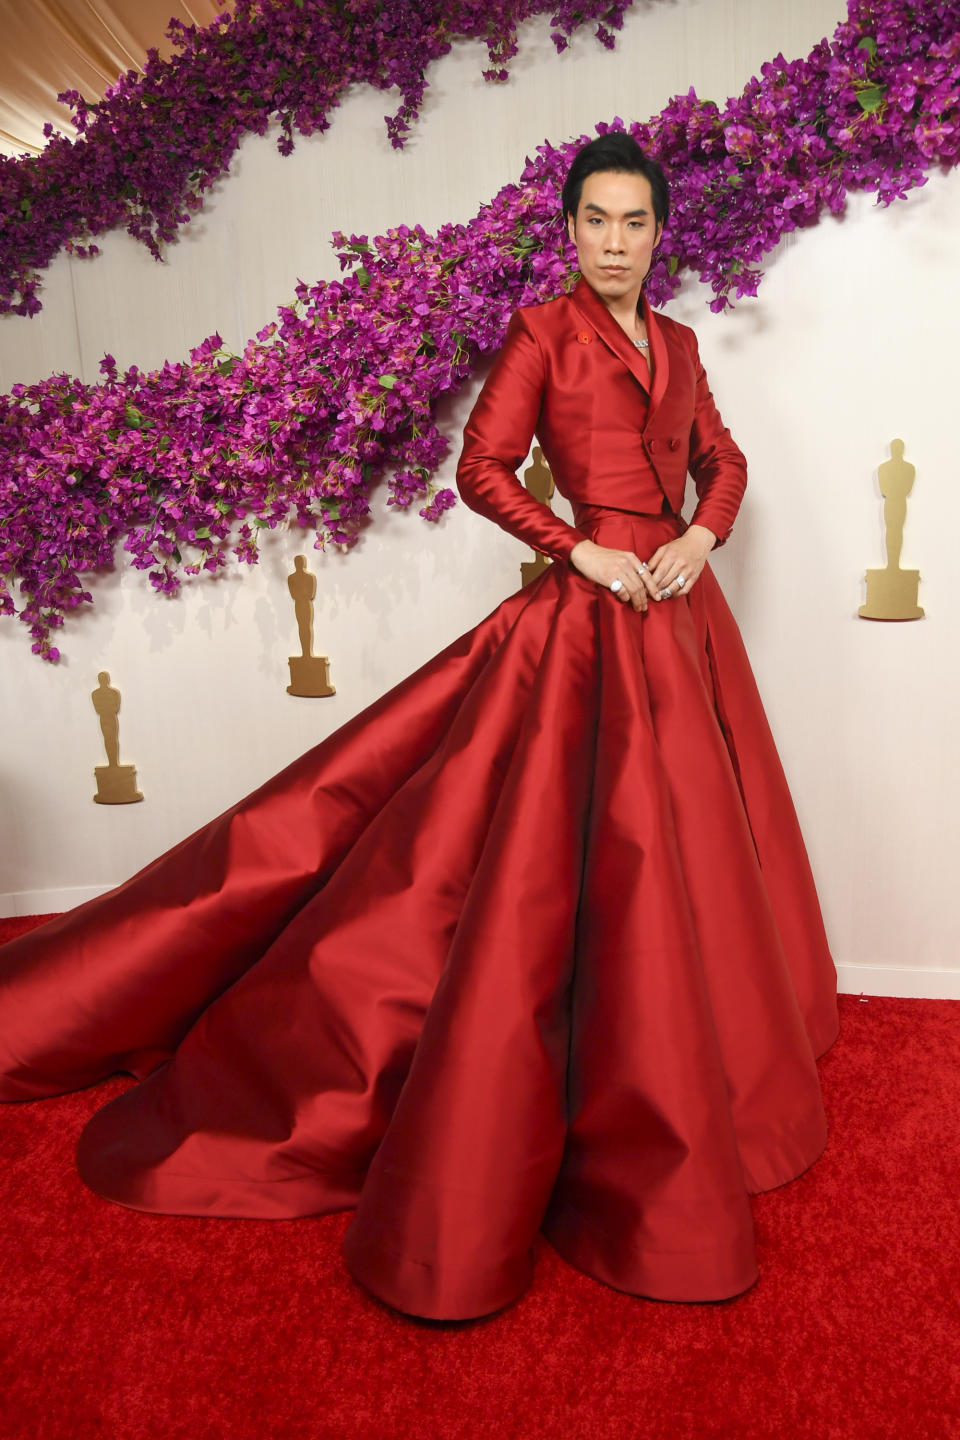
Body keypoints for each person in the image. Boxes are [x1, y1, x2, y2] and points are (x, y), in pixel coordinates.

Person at [0, 134, 838, 1323]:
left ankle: (677, 1071)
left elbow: (725, 459)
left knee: (680, 855)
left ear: (660, 231)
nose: (614, 242)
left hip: (680, 628)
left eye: (634, 222)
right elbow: (481, 468)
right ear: (568, 232)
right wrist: (581, 547)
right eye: (595, 221)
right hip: (590, 620)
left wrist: (701, 537)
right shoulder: (543, 335)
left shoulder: (684, 344)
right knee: (548, 862)